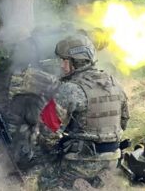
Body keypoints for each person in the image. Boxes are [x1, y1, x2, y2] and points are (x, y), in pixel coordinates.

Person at [36, 34, 129, 190]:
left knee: (45, 179)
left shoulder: (70, 89)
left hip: (80, 161)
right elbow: (124, 121)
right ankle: (100, 181)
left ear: (73, 62)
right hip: (113, 157)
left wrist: (52, 153)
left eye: (63, 61)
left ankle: (73, 184)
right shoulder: (114, 83)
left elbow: (47, 131)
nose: (61, 66)